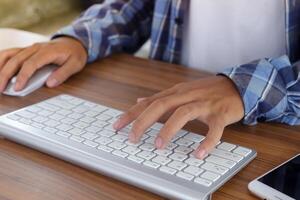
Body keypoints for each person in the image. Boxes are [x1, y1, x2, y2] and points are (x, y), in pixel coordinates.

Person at [0, 0, 299, 159]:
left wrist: (245, 88)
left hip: (276, 134)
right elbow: (141, 5)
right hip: (170, 110)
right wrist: (80, 39)